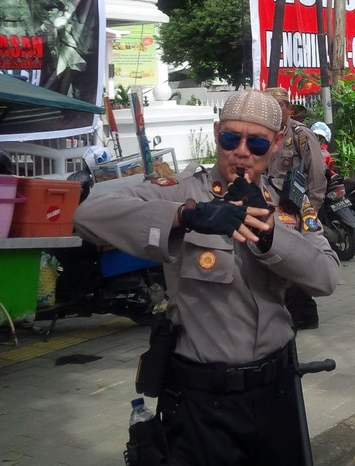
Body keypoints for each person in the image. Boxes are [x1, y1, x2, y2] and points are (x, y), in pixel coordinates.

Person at [74, 89, 339, 465]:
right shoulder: (184, 192)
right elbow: (88, 215)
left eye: (257, 142)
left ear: (277, 143)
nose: (242, 151)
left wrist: (270, 235)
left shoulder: (288, 204)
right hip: (202, 402)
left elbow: (326, 278)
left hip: (276, 394)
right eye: (231, 138)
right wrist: (184, 216)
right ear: (217, 133)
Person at [264, 86, 328, 330]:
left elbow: (317, 175)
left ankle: (303, 314)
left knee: (296, 260)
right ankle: (298, 313)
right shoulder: (266, 135)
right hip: (273, 210)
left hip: (297, 209)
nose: (275, 112)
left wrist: (311, 212)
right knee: (281, 260)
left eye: (279, 106)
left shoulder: (301, 134)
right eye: (270, 108)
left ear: (288, 108)